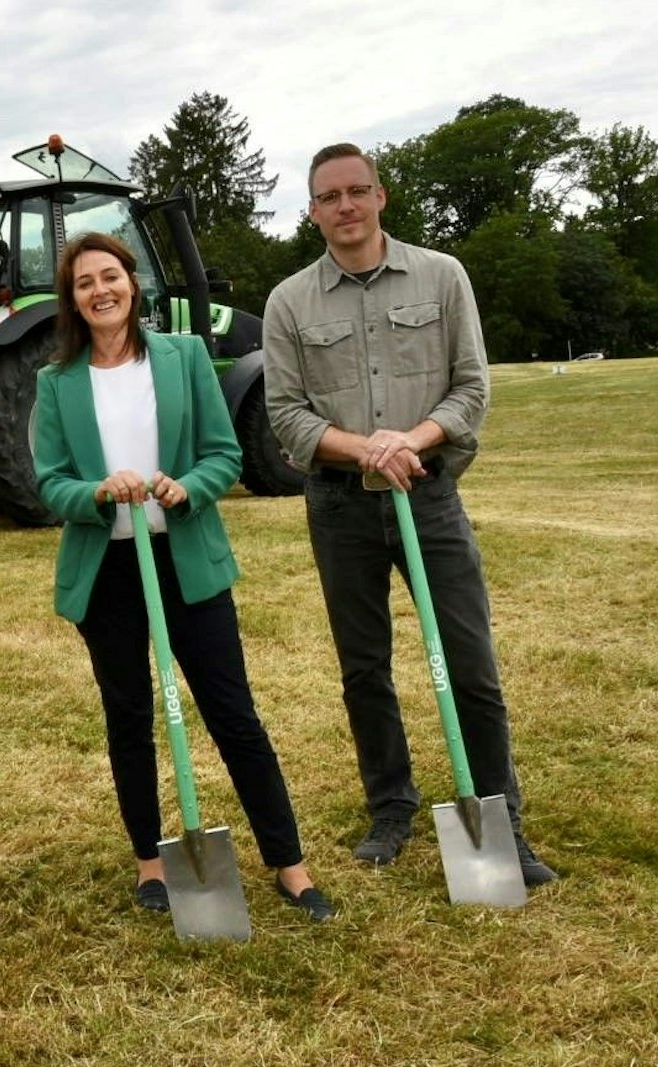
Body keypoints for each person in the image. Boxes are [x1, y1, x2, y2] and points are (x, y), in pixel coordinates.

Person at [262, 142, 557, 887]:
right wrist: (365, 449)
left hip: (429, 495)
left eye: (357, 190)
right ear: (312, 211)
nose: (346, 206)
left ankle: (501, 819)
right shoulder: (289, 301)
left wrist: (409, 441)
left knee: (471, 664)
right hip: (340, 506)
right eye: (330, 197)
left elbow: (471, 388)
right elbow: (286, 414)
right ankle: (391, 808)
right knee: (365, 668)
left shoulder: (442, 275)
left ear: (381, 196)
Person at [32, 232, 336, 923]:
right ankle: (151, 862)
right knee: (129, 717)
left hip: (187, 560)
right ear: (72, 300)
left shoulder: (185, 356)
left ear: (132, 283)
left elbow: (223, 454)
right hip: (107, 573)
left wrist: (188, 487)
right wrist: (96, 492)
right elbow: (50, 480)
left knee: (233, 713)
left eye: (110, 276)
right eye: (84, 283)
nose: (100, 290)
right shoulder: (56, 382)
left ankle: (290, 864)